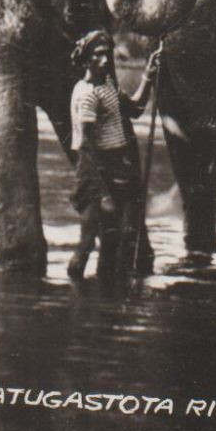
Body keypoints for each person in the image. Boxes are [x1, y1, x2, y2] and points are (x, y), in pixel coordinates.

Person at [68, 31, 159, 281]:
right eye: (98, 56)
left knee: (115, 240)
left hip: (119, 166)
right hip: (96, 171)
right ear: (86, 60)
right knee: (87, 242)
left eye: (107, 54)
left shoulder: (107, 85)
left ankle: (105, 298)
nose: (105, 60)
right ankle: (72, 292)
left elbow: (135, 109)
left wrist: (148, 78)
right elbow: (86, 148)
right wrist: (104, 193)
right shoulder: (87, 94)